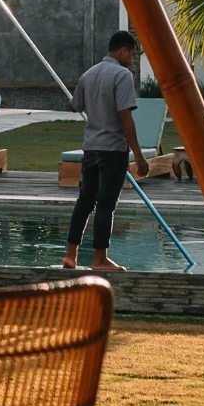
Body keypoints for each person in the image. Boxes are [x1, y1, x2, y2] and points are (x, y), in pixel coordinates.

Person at [62, 30, 148, 273]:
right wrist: (139, 155)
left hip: (90, 149)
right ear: (123, 51)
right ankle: (99, 258)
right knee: (105, 204)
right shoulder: (122, 76)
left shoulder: (89, 74)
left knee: (85, 201)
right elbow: (125, 116)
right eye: (132, 54)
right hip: (112, 150)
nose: (131, 59)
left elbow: (73, 106)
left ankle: (71, 254)